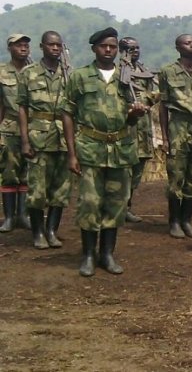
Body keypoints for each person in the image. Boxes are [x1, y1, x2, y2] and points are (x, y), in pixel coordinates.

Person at [61, 27, 147, 276]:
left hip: (120, 149)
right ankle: (88, 255)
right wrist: (71, 153)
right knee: (89, 203)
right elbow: (67, 114)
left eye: (112, 46)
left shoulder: (126, 78)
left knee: (116, 204)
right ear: (94, 49)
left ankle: (107, 254)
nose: (108, 50)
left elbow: (130, 120)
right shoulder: (80, 77)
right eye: (103, 46)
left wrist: (135, 114)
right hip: (90, 148)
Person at [18, 31, 72, 249]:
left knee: (61, 190)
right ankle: (38, 233)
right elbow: (22, 108)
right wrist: (24, 141)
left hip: (63, 138)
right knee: (37, 190)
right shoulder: (29, 73)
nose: (55, 48)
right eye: (51, 45)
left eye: (59, 45)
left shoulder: (69, 74)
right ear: (42, 46)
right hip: (38, 137)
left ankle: (51, 231)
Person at [158, 34, 192, 239]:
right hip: (179, 125)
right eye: (187, 43)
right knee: (176, 174)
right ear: (178, 47)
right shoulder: (167, 72)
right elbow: (163, 106)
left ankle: (186, 220)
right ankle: (174, 221)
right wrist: (165, 137)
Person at [119, 37, 158, 223]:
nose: (135, 51)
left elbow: (151, 94)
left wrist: (150, 100)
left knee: (137, 171)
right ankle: (119, 208)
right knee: (124, 171)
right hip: (127, 128)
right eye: (130, 48)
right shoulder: (119, 72)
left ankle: (127, 206)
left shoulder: (143, 71)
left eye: (137, 48)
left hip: (143, 129)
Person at [0, 33, 32, 233]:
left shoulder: (35, 72)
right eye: (18, 45)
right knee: (9, 172)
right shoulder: (2, 72)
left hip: (33, 128)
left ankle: (23, 215)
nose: (23, 48)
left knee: (28, 173)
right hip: (10, 128)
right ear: (9, 48)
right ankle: (10, 217)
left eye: (26, 45)